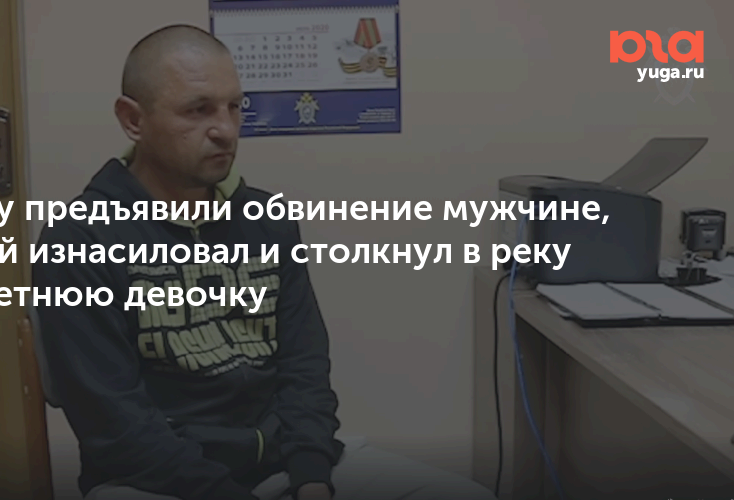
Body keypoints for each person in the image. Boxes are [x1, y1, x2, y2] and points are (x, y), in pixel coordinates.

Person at [32, 24, 497, 500]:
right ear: (133, 120)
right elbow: (116, 427)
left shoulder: (267, 219)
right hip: (154, 480)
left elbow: (305, 368)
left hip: (284, 464)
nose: (226, 130)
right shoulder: (79, 238)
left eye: (235, 107)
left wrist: (312, 476)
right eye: (198, 110)